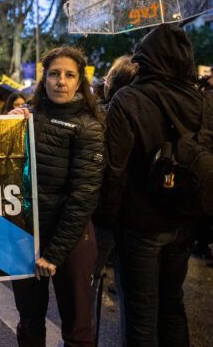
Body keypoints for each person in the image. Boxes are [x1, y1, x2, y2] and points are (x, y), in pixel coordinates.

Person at [95, 24, 209, 347]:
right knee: (173, 305)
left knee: (140, 313)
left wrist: (106, 222)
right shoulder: (202, 103)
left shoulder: (127, 99)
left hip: (139, 225)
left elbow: (114, 171)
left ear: (145, 57)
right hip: (185, 221)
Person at [9, 46, 104, 347]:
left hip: (72, 239)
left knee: (77, 330)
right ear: (44, 79)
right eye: (54, 74)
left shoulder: (89, 126)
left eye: (69, 75)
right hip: (27, 235)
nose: (60, 81)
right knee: (29, 322)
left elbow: (84, 195)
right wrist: (6, 125)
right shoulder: (26, 117)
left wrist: (54, 253)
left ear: (79, 82)